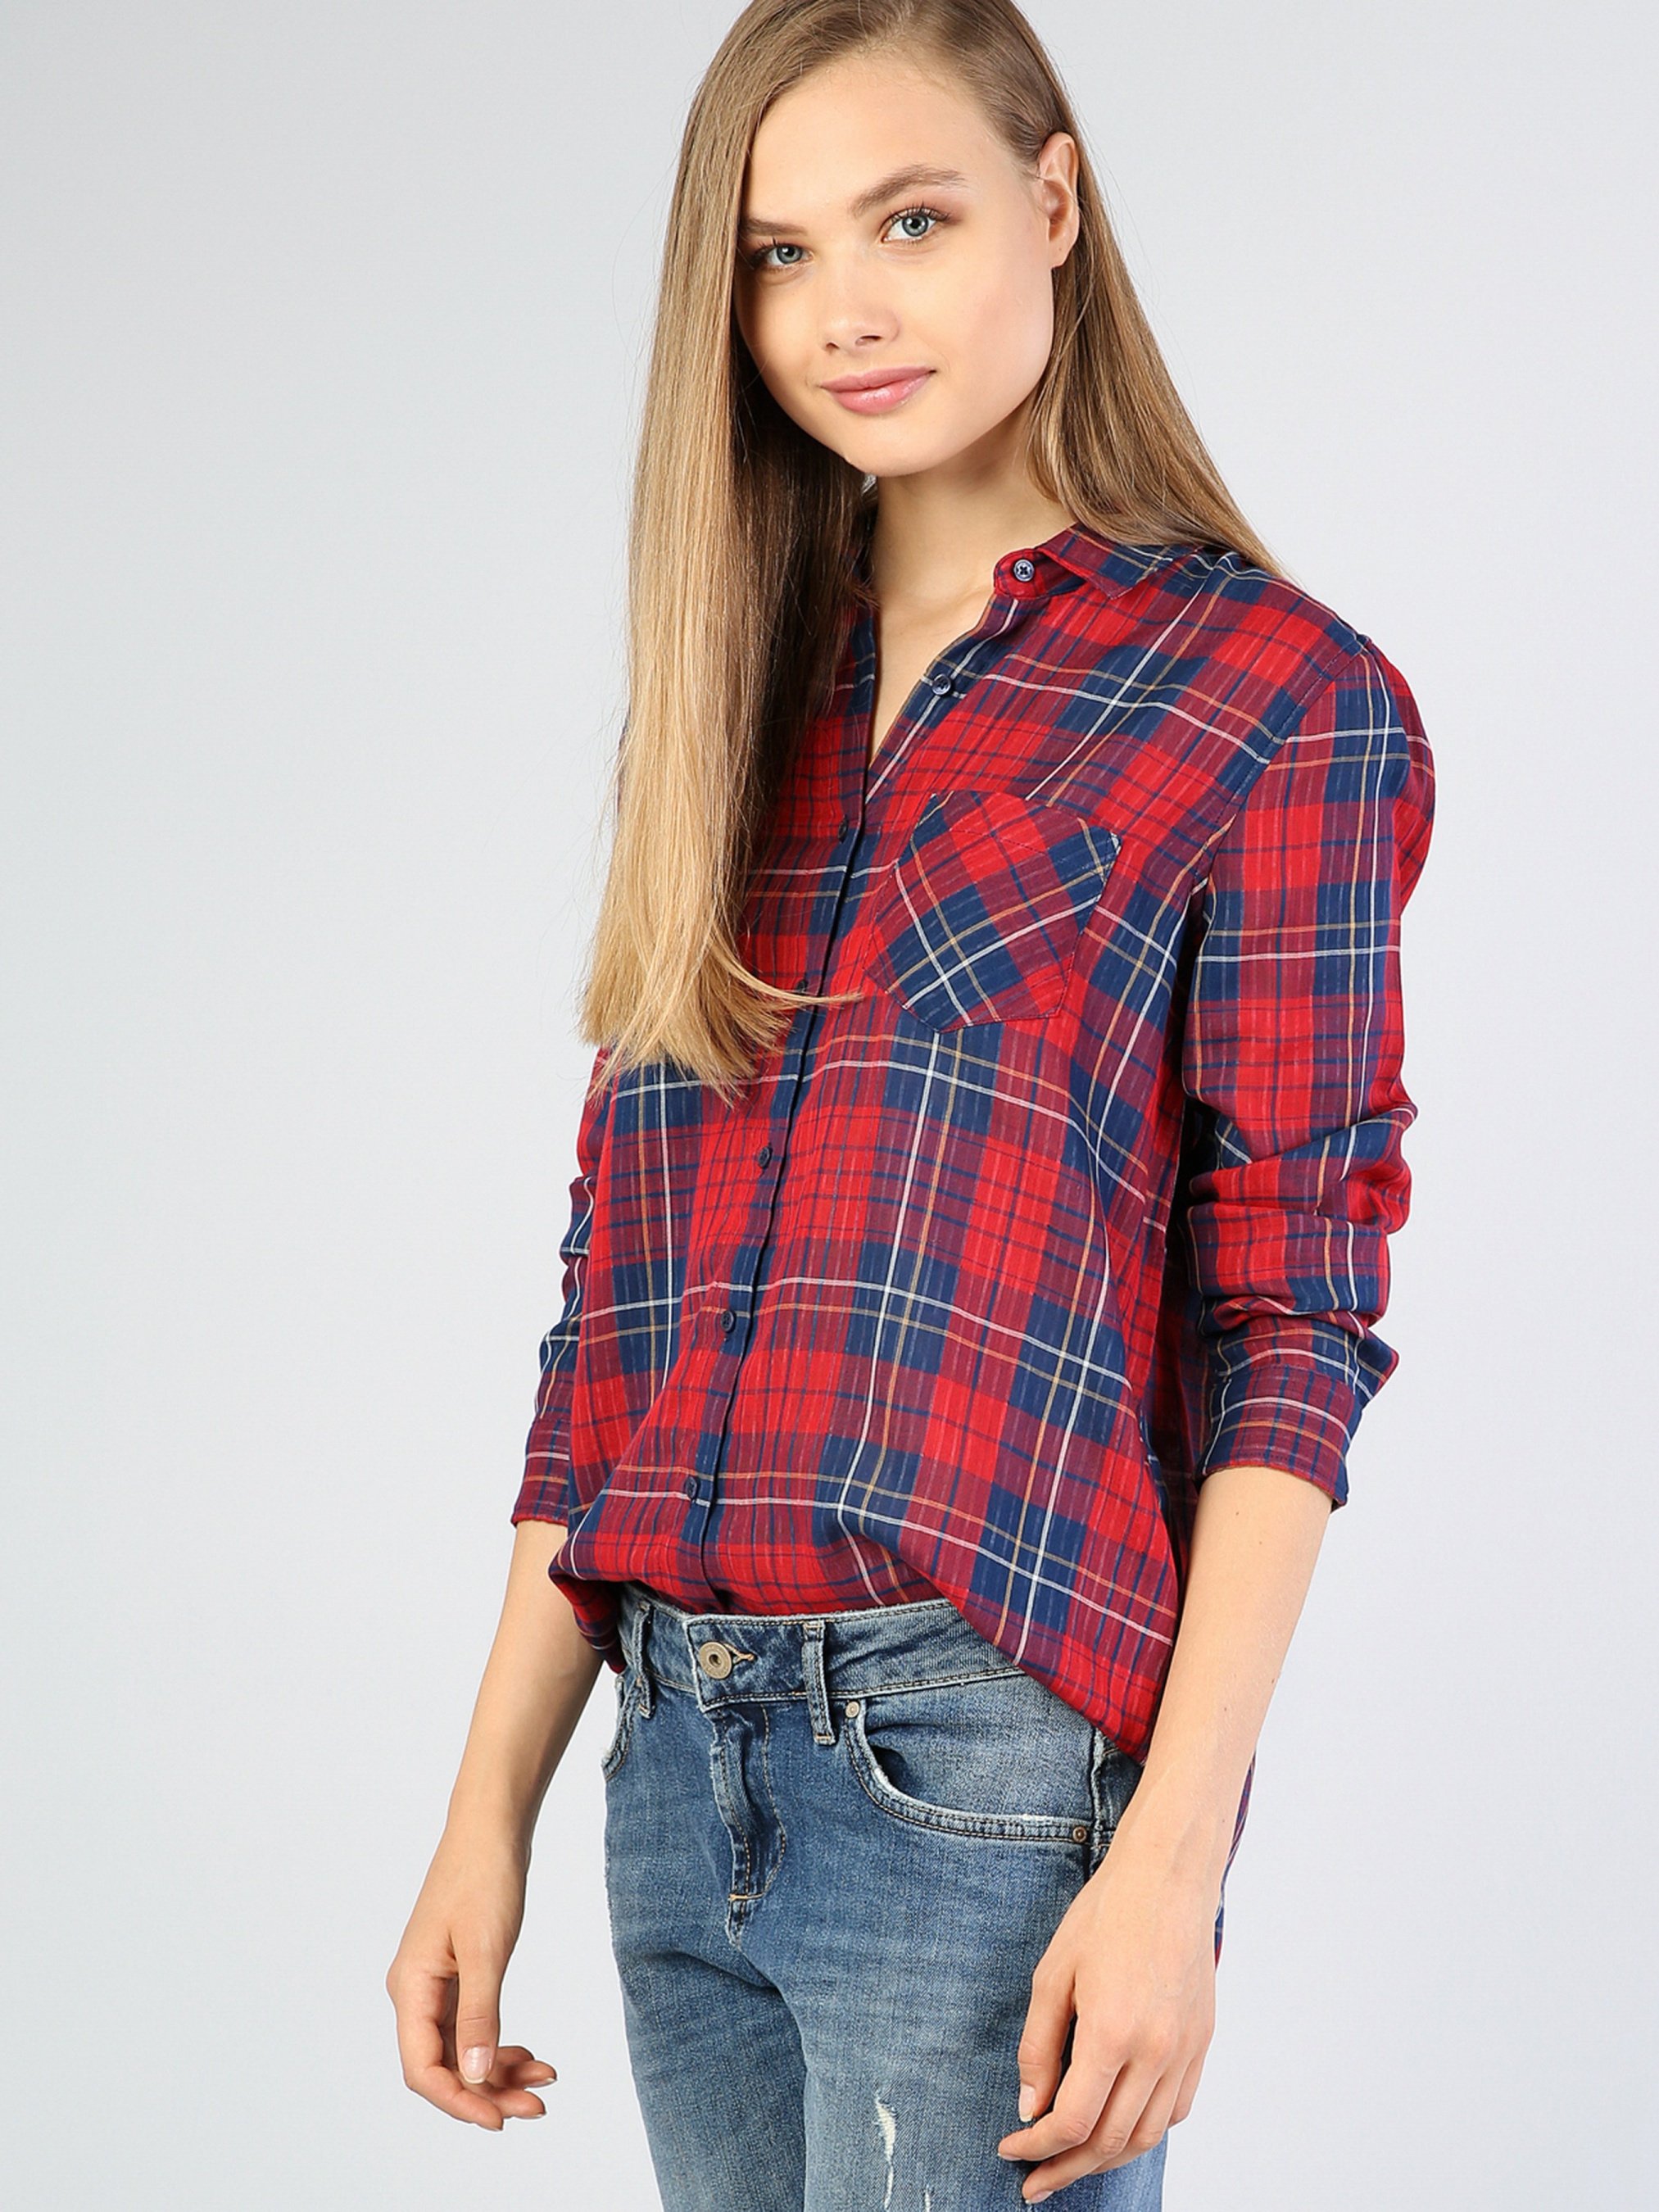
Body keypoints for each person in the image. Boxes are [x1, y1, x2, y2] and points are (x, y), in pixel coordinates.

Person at [385, 2, 1435, 2205]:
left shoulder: (1268, 697)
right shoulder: (730, 702)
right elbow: (612, 1326)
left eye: (911, 220)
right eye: (776, 254)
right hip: (672, 1762)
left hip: (979, 1764)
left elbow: (1293, 1318)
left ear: (1051, 206)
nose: (842, 309)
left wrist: (1172, 1866)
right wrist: (486, 1807)